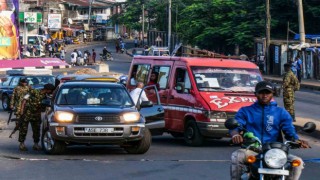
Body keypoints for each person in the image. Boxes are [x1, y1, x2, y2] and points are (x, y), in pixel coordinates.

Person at [229, 81, 309, 180]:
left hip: (276, 153)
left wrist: (297, 141)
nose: (264, 95)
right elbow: (235, 125)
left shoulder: (281, 112)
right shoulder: (246, 111)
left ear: (272, 94)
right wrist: (235, 134)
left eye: (268, 92)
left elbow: (289, 130)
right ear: (256, 94)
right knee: (237, 156)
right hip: (253, 150)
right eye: (261, 92)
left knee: (298, 163)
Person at [18, 83, 56, 151]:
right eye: (51, 90)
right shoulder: (34, 91)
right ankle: (22, 144)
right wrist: (21, 111)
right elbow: (24, 99)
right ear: (48, 90)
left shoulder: (46, 96)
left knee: (36, 130)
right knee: (23, 129)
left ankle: (36, 144)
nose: (51, 92)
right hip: (27, 113)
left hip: (36, 114)